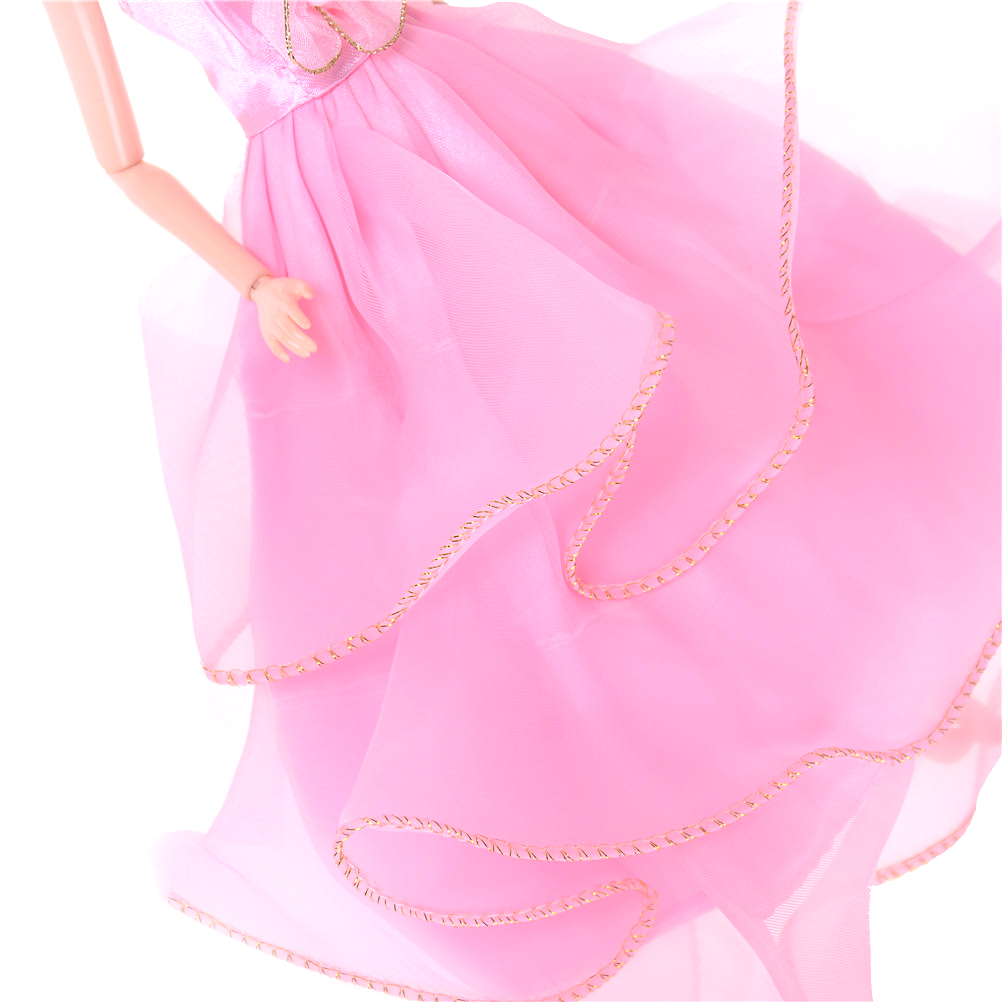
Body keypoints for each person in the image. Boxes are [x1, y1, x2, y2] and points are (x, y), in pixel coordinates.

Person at [43, 2, 1001, 1000]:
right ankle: (712, 760)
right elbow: (122, 161)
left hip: (476, 117)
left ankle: (870, 673)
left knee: (683, 386)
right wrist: (251, 282)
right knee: (495, 514)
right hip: (337, 222)